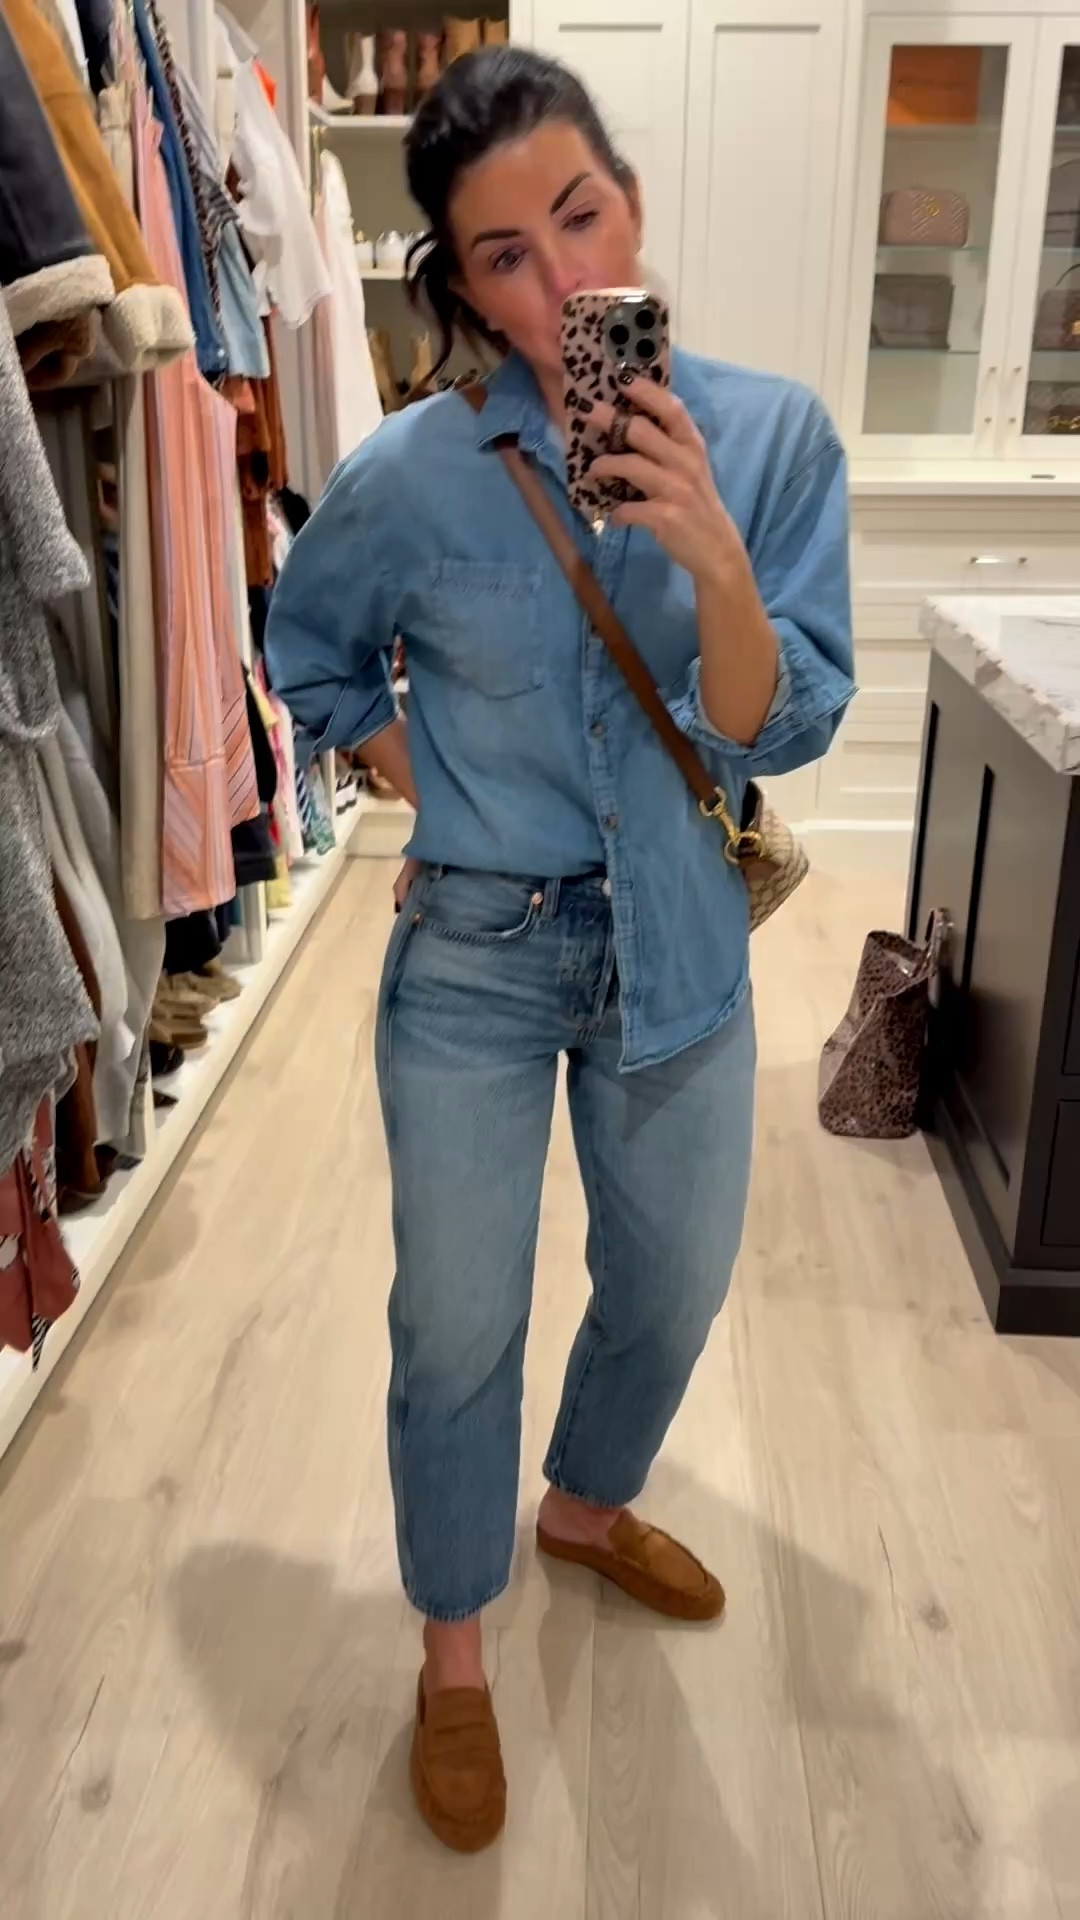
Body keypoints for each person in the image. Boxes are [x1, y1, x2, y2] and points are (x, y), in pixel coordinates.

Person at [266, 44, 854, 1853]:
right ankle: (454, 1647)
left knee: (671, 1284)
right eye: (502, 255)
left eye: (580, 219)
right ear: (458, 279)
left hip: (680, 945)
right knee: (456, 1318)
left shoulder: (775, 439)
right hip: (473, 950)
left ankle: (586, 1507)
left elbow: (782, 726)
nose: (556, 282)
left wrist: (717, 559)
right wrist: (421, 776)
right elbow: (310, 652)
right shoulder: (412, 474)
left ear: (632, 203)